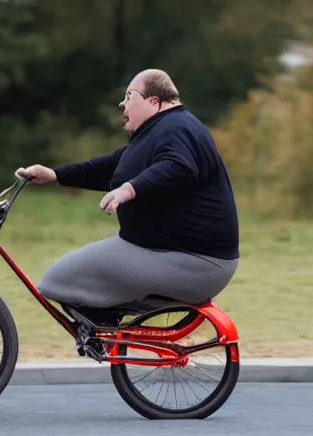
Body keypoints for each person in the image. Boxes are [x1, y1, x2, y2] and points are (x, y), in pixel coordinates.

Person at [15, 69, 239, 325]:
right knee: (65, 280)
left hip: (194, 261)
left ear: (154, 101)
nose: (122, 103)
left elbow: (179, 165)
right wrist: (56, 175)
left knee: (57, 280)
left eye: (129, 96)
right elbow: (109, 167)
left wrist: (128, 189)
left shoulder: (177, 127)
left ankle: (105, 328)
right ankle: (105, 327)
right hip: (170, 253)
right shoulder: (156, 132)